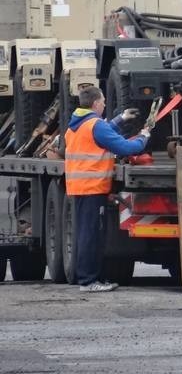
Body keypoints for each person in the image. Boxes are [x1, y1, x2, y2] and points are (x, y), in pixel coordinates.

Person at [64, 86, 150, 293]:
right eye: (102, 101)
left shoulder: (77, 123)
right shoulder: (94, 124)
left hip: (82, 187)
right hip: (92, 187)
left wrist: (121, 118)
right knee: (91, 236)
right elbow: (125, 148)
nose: (104, 104)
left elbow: (103, 132)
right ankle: (88, 281)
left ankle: (89, 278)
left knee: (87, 234)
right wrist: (144, 136)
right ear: (95, 104)